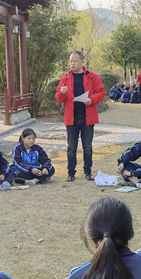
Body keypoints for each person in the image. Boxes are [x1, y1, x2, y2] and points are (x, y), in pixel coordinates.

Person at [55, 51, 105, 182]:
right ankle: (71, 172)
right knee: (71, 147)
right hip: (71, 118)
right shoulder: (65, 78)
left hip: (87, 117)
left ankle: (88, 171)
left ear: (82, 62)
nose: (72, 63)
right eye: (71, 61)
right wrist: (62, 92)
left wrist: (91, 100)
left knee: (87, 147)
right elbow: (59, 99)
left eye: (75, 61)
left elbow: (101, 92)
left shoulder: (93, 77)